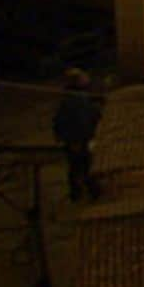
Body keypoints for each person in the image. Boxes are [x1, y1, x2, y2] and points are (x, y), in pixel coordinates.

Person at [53, 69, 102, 202]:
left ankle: (82, 191)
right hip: (78, 138)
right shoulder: (74, 100)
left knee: (80, 165)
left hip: (80, 137)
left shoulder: (78, 98)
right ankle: (84, 191)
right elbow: (78, 119)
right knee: (82, 165)